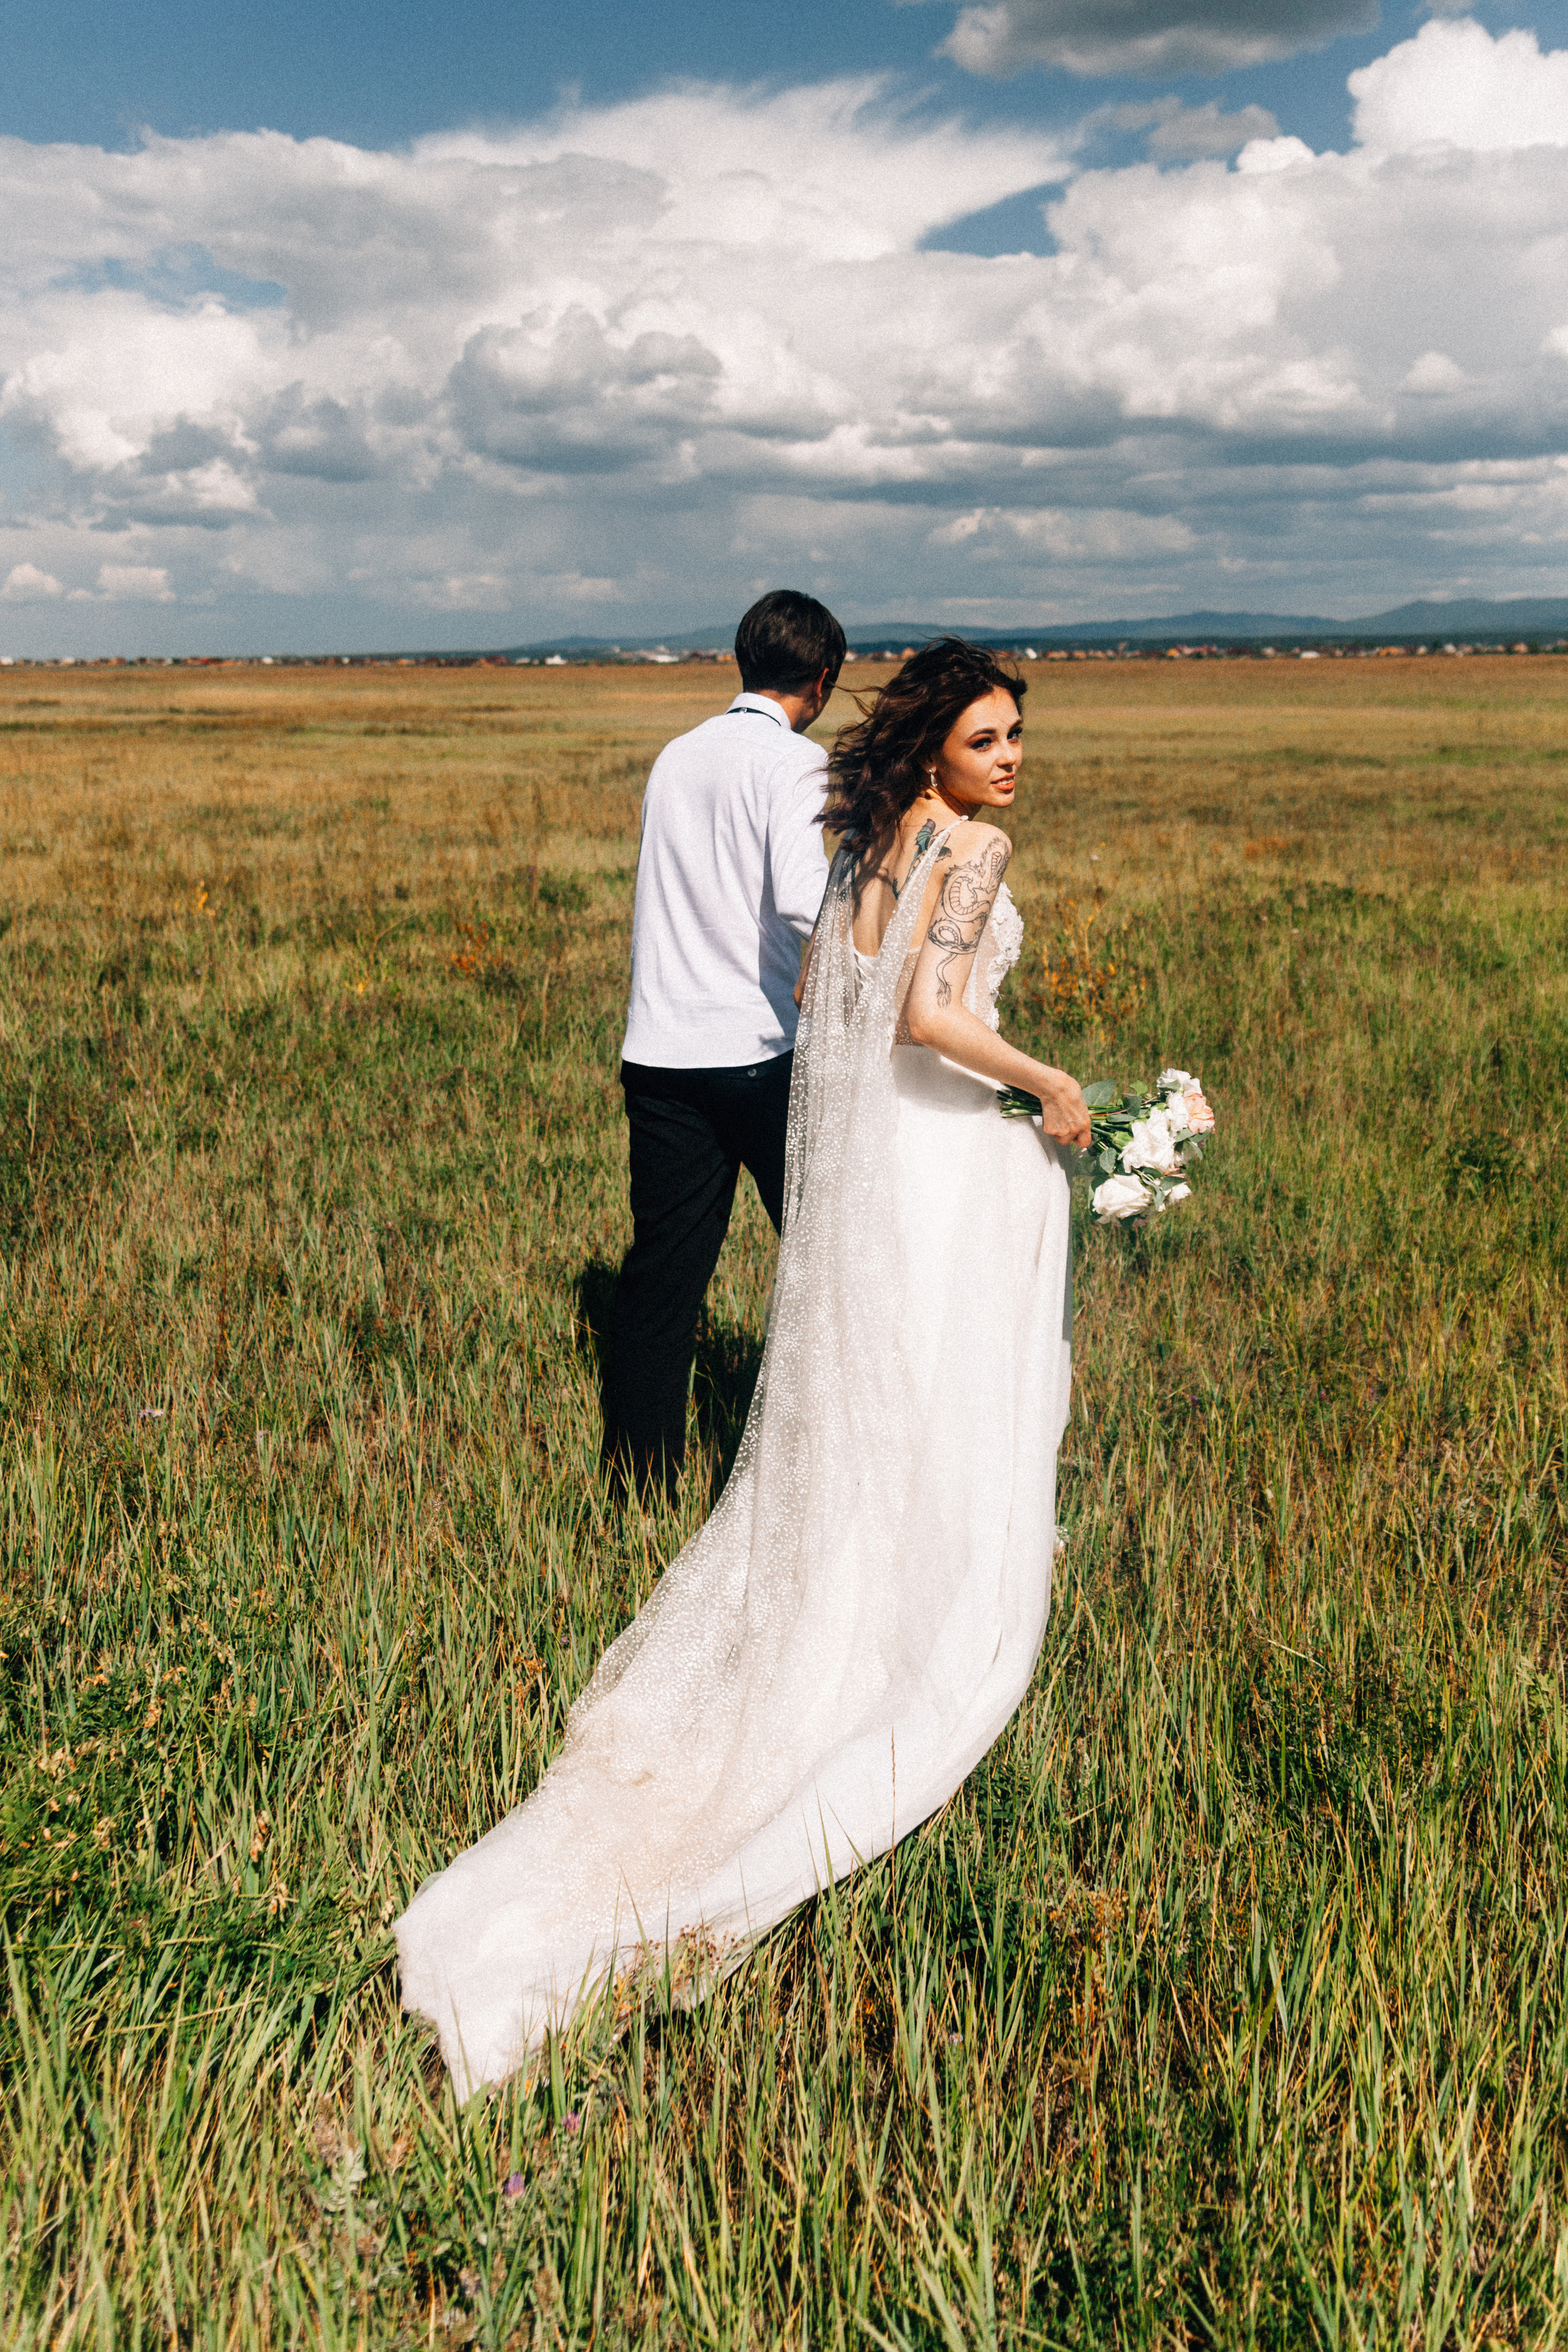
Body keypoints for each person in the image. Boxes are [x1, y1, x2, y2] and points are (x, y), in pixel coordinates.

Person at [397, 639, 1092, 2096]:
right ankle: (921, 1599)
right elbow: (921, 1021)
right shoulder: (966, 846)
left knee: (855, 1383)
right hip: (939, 1151)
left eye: (1015, 732)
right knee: (931, 1389)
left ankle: (839, 1570)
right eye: (986, 735)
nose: (1009, 754)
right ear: (937, 748)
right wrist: (1049, 1084)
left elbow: (838, 998)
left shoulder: (866, 836)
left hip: (863, 1156)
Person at [604, 589, 845, 1500]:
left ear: (743, 663)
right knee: (829, 1261)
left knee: (662, 1280)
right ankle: (818, 1466)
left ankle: (637, 1486)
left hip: (659, 1051)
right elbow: (799, 895)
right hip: (758, 1052)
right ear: (820, 681)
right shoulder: (795, 762)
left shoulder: (677, 755)